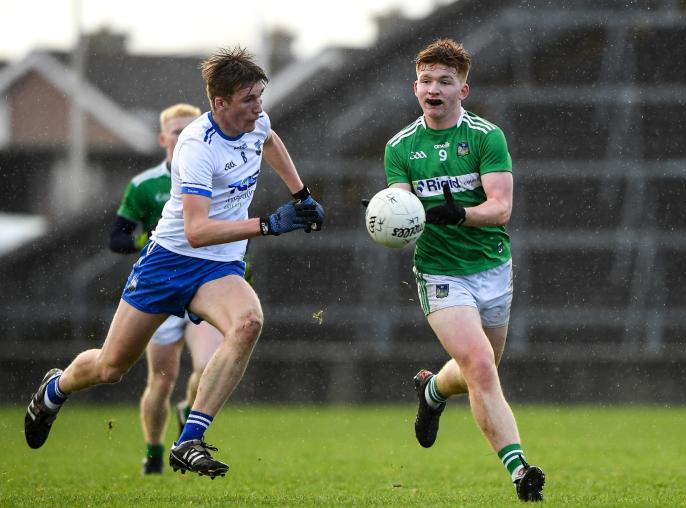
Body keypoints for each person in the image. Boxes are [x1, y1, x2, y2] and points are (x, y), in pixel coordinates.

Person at [24, 46, 324, 480]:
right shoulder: (196, 147)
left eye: (260, 97)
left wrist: (301, 194)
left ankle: (189, 440)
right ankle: (54, 390)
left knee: (247, 322)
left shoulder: (256, 121)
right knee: (111, 367)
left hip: (217, 267)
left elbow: (270, 140)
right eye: (248, 100)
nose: (259, 108)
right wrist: (268, 225)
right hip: (169, 262)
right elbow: (196, 231)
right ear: (219, 103)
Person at [381, 38, 545, 501]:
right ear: (416, 87)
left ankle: (433, 391)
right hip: (439, 271)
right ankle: (519, 470)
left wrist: (462, 213)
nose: (434, 88)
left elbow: (502, 208)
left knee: (482, 366)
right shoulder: (401, 147)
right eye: (426, 81)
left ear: (463, 90)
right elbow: (402, 212)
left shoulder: (485, 137)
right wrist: (392, 221)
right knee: (479, 366)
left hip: (491, 267)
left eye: (445, 81)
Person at [108, 102, 225, 475]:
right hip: (160, 287)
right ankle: (154, 452)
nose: (184, 136)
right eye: (177, 131)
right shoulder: (145, 185)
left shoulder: (215, 175)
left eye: (191, 129)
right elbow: (117, 237)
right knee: (161, 380)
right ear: (163, 138)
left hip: (203, 285)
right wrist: (153, 244)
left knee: (207, 366)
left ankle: (188, 427)